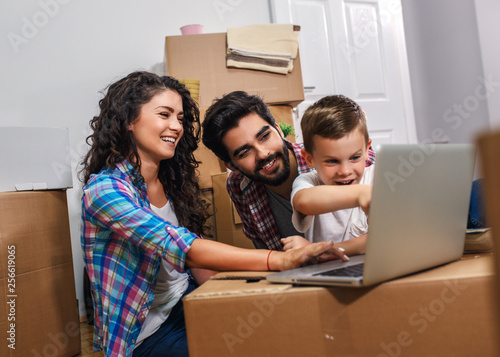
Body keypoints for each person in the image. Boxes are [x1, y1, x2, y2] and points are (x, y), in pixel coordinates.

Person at [80, 71, 345, 357]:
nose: (176, 126)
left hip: (190, 298)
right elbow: (182, 248)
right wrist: (281, 260)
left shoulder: (170, 181)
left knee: (283, 334)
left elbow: (195, 270)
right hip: (146, 331)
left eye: (180, 118)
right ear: (129, 120)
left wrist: (246, 297)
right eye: (164, 114)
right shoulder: (104, 191)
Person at [202, 91, 375, 251]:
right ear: (231, 166)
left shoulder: (355, 161)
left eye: (264, 137)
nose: (263, 154)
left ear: (278, 130)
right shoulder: (239, 188)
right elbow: (268, 253)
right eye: (245, 152)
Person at [287, 95, 374, 256]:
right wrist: (363, 194)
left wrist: (323, 251)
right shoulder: (309, 182)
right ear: (309, 159)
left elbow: (382, 240)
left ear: (367, 150)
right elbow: (303, 202)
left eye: (355, 157)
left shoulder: (377, 176)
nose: (345, 171)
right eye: (332, 161)